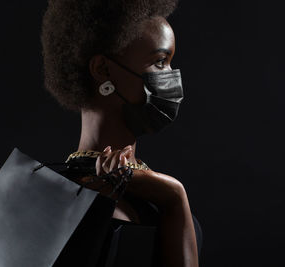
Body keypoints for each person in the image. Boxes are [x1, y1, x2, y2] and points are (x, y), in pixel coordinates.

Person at [40, 0, 202, 266]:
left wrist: (175, 198)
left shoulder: (160, 193)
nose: (172, 77)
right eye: (160, 62)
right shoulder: (52, 201)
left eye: (171, 62)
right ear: (103, 69)